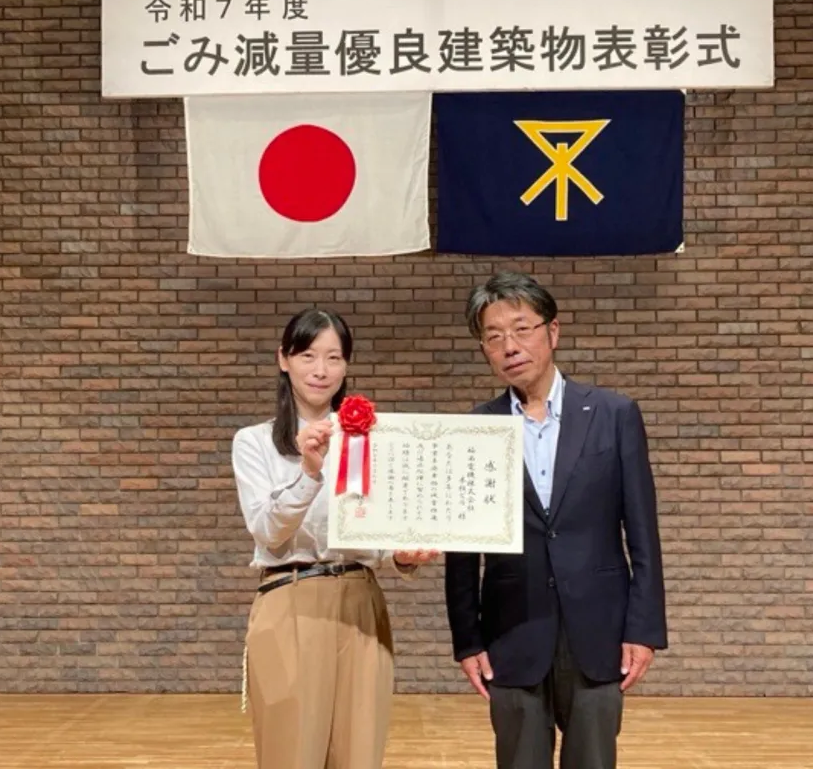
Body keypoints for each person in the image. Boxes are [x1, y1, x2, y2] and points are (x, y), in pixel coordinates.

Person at [444, 271, 668, 769]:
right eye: (494, 336)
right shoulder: (475, 428)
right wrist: (467, 639)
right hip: (510, 633)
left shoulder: (613, 414)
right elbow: (461, 551)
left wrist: (644, 628)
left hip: (600, 631)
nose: (510, 346)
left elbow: (643, 534)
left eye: (521, 329)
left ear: (553, 331)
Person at [232, 307, 438, 769]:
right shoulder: (254, 442)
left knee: (359, 752)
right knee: (291, 754)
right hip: (290, 598)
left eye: (333, 357)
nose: (320, 370)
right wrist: (309, 473)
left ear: (346, 365)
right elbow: (268, 530)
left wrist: (405, 556)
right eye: (307, 355)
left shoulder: (372, 440)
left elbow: (381, 536)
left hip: (361, 602)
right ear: (283, 359)